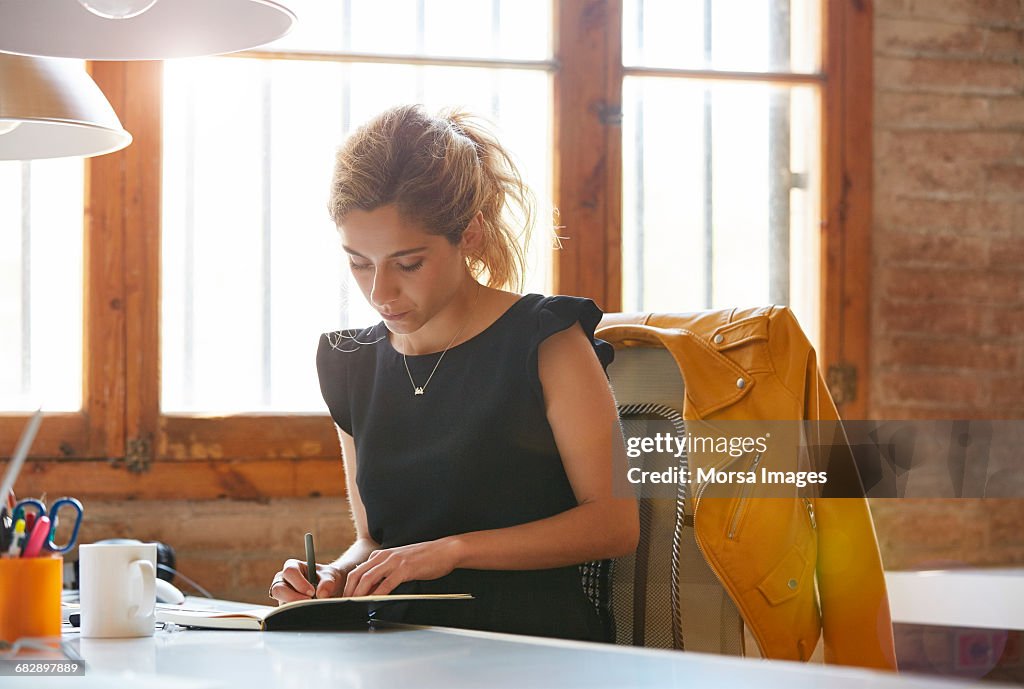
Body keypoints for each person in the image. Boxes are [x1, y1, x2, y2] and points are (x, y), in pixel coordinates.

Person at [269, 104, 638, 642]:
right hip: (393, 651)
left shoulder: (546, 340)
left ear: (469, 235)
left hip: (532, 649)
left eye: (409, 263)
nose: (380, 292)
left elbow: (614, 525)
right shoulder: (349, 363)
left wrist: (453, 551)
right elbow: (374, 540)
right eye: (359, 262)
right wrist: (332, 577)